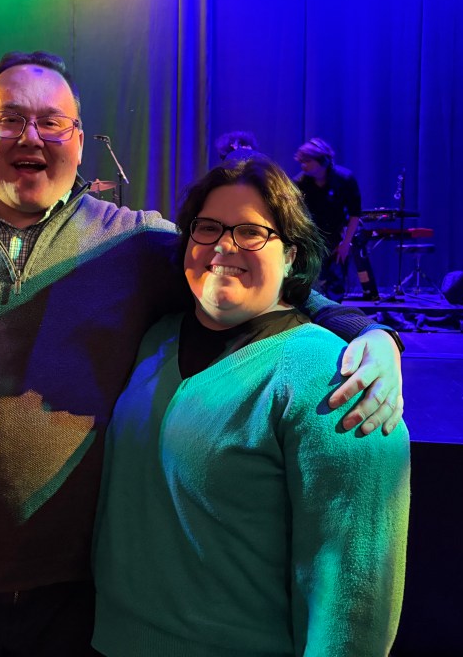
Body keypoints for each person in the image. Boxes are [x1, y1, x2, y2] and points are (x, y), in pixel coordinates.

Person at [0, 51, 406, 655]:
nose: (31, 136)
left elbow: (242, 267)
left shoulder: (135, 243)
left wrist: (370, 333)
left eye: (51, 122)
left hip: (77, 600)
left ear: (79, 141)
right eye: (9, 119)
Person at [92, 155, 410, 656]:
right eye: (209, 228)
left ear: (291, 255)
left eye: (251, 233)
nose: (224, 246)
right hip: (109, 641)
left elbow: (353, 600)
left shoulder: (336, 378)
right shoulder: (156, 338)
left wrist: (374, 333)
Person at [294, 137, 363, 302]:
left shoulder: (345, 179)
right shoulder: (301, 182)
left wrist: (345, 244)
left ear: (323, 161)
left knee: (336, 284)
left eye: (307, 161)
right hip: (310, 237)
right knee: (307, 282)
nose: (303, 166)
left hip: (336, 237)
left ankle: (333, 318)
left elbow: (355, 213)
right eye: (301, 162)